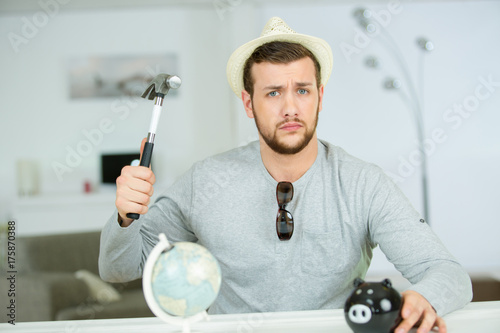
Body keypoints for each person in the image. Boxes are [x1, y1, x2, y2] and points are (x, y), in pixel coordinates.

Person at [99, 17, 472, 333]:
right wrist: (124, 218)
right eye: (274, 92)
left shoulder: (363, 184)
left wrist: (424, 297)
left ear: (320, 97)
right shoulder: (205, 181)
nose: (291, 107)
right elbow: (118, 270)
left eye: (302, 90)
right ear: (249, 103)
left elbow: (448, 273)